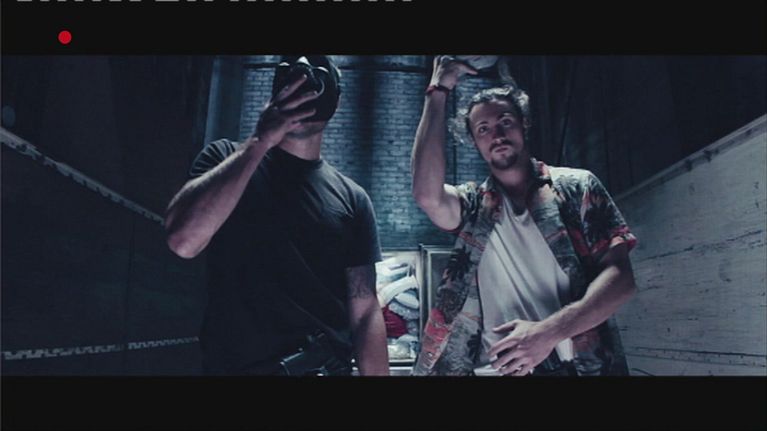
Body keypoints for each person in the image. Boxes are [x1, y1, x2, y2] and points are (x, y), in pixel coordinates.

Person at [410, 55, 637, 376]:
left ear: (524, 124)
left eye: (505, 121)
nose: (497, 134)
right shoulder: (473, 205)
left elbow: (621, 280)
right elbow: (426, 195)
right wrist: (438, 90)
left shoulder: (577, 186)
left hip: (576, 367)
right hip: (492, 370)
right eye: (483, 129)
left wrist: (547, 333)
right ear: (474, 142)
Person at [165, 55, 389, 376]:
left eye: (315, 83)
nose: (304, 94)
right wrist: (260, 141)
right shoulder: (224, 159)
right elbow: (183, 240)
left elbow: (365, 309)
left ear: (335, 102)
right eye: (294, 81)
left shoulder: (353, 199)